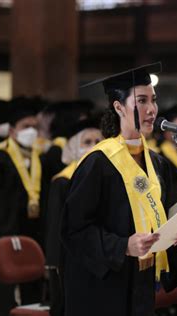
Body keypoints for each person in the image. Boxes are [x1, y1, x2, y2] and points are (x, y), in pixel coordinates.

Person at [60, 62, 177, 316]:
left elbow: (160, 218)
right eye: (141, 101)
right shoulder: (97, 163)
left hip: (142, 282)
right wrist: (123, 246)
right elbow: (73, 229)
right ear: (118, 107)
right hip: (104, 289)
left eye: (153, 100)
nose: (151, 109)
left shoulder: (156, 163)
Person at [0, 96, 44, 316]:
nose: (31, 131)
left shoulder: (40, 158)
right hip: (4, 227)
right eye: (25, 127)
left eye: (34, 126)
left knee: (32, 282)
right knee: (0, 284)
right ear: (12, 131)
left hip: (32, 228)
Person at [45, 118, 103, 316]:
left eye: (98, 141)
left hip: (98, 255)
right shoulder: (63, 181)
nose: (94, 146)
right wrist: (55, 266)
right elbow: (55, 229)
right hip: (69, 261)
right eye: (87, 142)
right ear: (72, 148)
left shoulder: (104, 177)